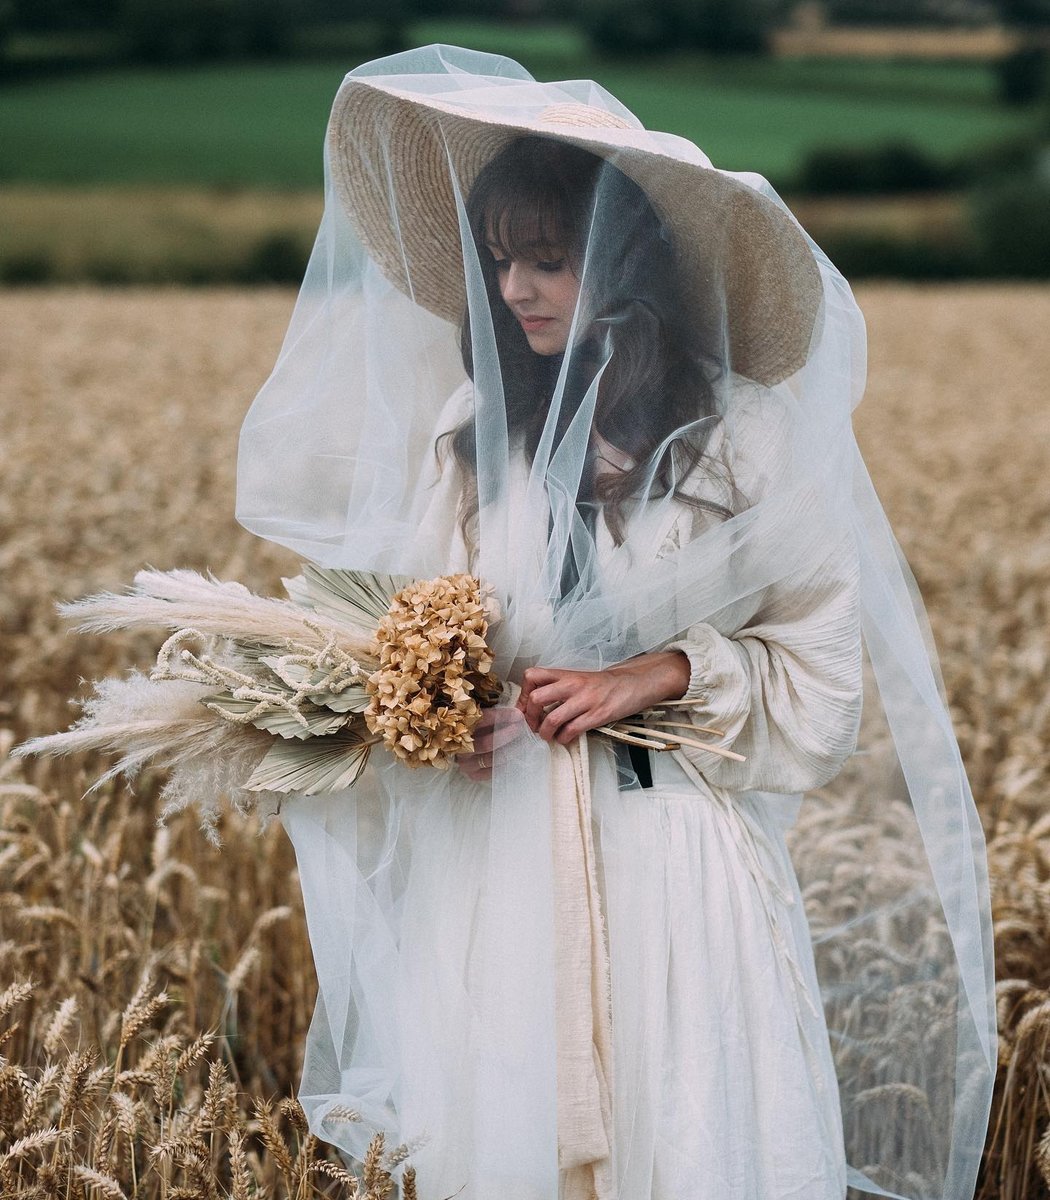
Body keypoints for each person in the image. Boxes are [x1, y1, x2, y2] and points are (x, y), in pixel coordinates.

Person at [236, 45, 995, 1200]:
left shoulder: (743, 437)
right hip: (494, 878)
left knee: (683, 1139)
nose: (516, 292)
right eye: (501, 264)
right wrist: (442, 725)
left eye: (547, 260)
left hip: (674, 866)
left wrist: (662, 672)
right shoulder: (470, 436)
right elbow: (416, 639)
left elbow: (823, 673)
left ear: (626, 266)